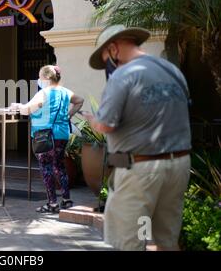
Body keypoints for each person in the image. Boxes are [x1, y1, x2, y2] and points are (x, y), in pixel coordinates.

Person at [83, 25, 191, 251]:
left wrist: (92, 119)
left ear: (113, 48)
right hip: (178, 165)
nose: (109, 66)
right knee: (167, 240)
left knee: (131, 242)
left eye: (106, 60)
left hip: (141, 172)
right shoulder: (172, 71)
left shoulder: (124, 75)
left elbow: (105, 125)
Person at [11, 65, 84, 213]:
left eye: (40, 77)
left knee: (46, 169)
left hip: (45, 135)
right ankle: (66, 199)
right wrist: (69, 115)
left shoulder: (43, 93)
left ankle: (52, 203)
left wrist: (18, 106)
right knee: (60, 166)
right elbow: (80, 100)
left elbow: (27, 110)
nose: (38, 79)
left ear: (46, 78)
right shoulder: (66, 92)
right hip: (62, 134)